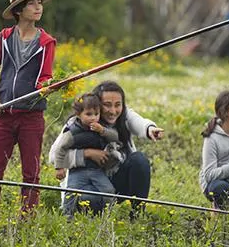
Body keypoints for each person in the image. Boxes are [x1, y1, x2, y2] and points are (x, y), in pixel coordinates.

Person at [0, 0, 57, 223]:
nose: (37, 7)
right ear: (18, 10)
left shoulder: (46, 43)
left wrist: (47, 87)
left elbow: (45, 77)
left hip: (32, 117)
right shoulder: (2, 39)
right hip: (4, 116)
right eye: (31, 3)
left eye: (39, 2)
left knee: (31, 174)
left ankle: (27, 223)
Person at [50, 80, 164, 214]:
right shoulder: (76, 125)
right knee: (88, 199)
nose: (113, 111)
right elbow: (53, 155)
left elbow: (139, 122)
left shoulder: (123, 116)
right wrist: (87, 153)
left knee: (139, 160)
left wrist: (150, 129)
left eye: (118, 105)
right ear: (96, 104)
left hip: (113, 179)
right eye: (107, 105)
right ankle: (80, 213)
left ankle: (137, 213)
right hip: (86, 183)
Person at [52, 93, 121, 217]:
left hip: (96, 170)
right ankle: (67, 216)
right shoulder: (72, 132)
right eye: (89, 114)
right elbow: (59, 149)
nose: (94, 118)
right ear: (78, 114)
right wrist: (59, 168)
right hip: (78, 171)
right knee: (71, 193)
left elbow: (115, 137)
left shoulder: (101, 128)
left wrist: (103, 131)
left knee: (109, 191)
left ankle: (107, 216)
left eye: (96, 114)